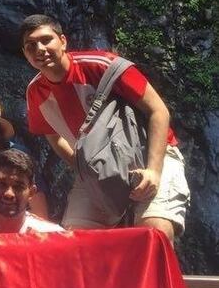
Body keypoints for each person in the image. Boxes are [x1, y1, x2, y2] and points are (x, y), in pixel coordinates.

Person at [20, 14, 189, 241]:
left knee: (153, 235)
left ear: (63, 41)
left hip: (151, 154)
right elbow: (52, 136)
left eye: (46, 40)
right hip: (97, 169)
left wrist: (154, 171)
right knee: (77, 243)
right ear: (25, 54)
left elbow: (159, 110)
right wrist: (83, 168)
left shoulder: (103, 66)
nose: (40, 49)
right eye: (31, 46)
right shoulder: (35, 93)